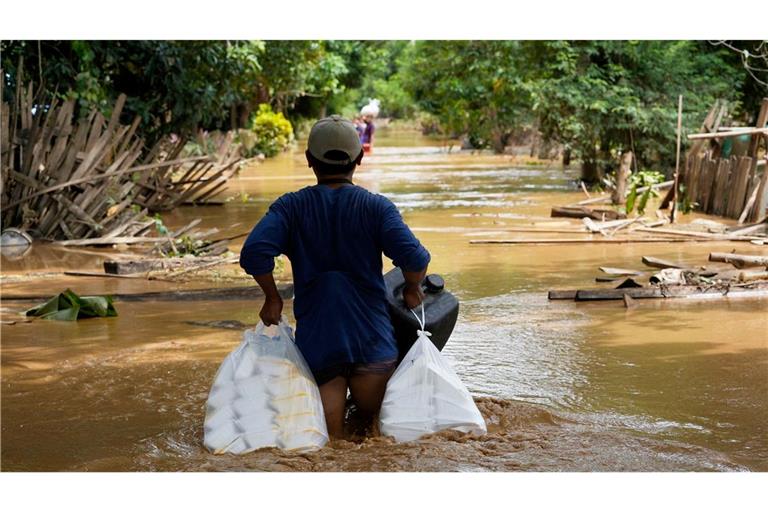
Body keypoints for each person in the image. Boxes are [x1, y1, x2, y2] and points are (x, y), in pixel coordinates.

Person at [240, 115, 430, 439]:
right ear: (359, 158)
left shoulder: (290, 208)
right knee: (377, 440)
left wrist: (272, 298)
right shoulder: (376, 208)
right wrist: (412, 289)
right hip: (372, 344)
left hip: (319, 345)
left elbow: (253, 253)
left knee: (329, 445)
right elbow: (415, 259)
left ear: (309, 160)